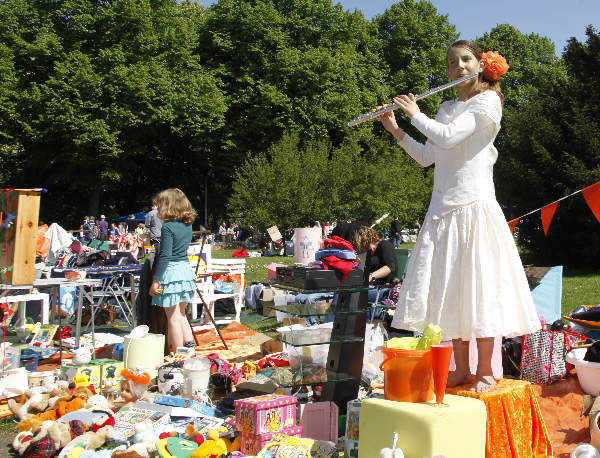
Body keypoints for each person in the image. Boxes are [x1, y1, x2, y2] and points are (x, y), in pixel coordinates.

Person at [377, 40, 540, 392]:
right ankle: (462, 369)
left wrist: (414, 113)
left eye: (466, 60)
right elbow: (427, 156)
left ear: (481, 65)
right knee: (452, 291)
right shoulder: (447, 105)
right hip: (442, 211)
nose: (459, 67)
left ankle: (484, 369)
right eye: (452, 62)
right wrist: (395, 129)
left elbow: (450, 138)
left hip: (473, 207)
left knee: (478, 289)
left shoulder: (488, 101)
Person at [148, 188, 197, 351]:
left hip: (172, 272)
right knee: (182, 315)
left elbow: (165, 256)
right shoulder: (187, 225)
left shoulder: (168, 227)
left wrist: (155, 280)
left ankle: (179, 356)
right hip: (184, 270)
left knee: (173, 318)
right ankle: (189, 348)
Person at [350, 226, 398, 310]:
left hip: (384, 289)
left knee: (347, 294)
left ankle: (330, 321)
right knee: (340, 291)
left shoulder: (384, 245)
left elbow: (390, 268)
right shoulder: (368, 253)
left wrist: (371, 276)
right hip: (372, 287)